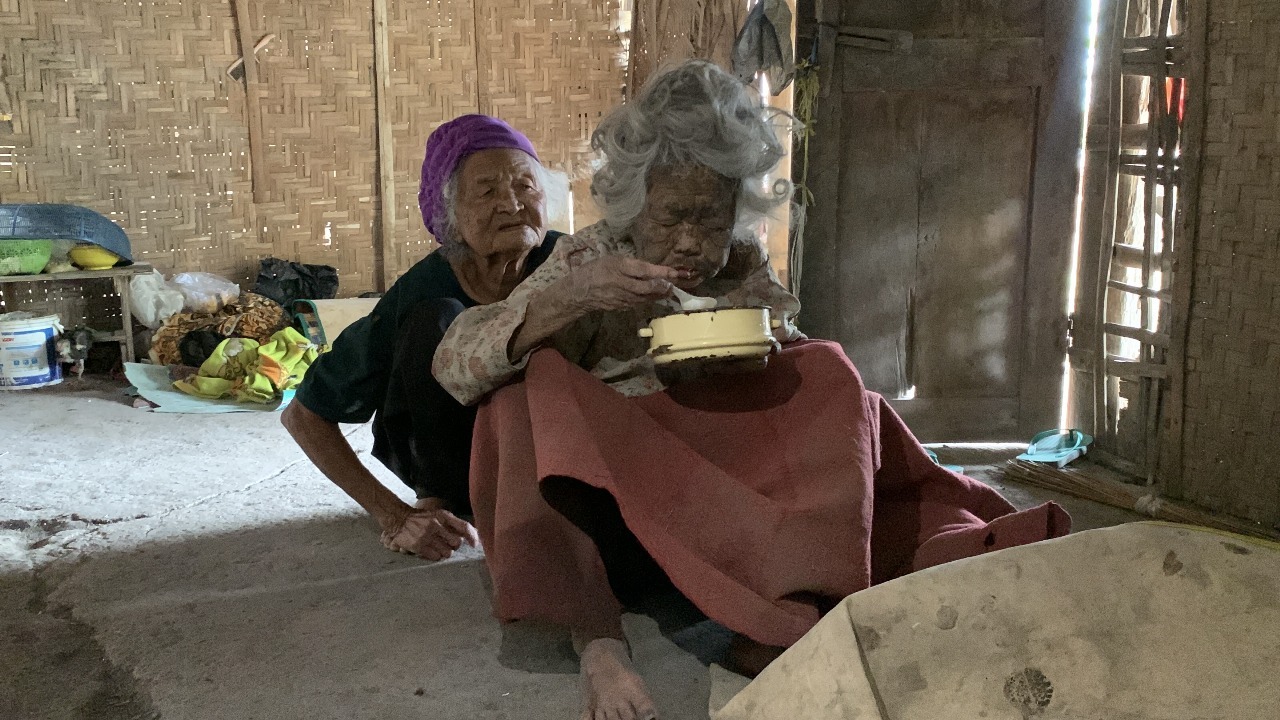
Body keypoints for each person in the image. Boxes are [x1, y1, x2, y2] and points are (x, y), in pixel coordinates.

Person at [433, 62, 1070, 720]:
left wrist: (769, 350)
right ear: (632, 203)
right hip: (628, 498)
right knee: (521, 396)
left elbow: (786, 355)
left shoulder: (739, 259)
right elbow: (455, 365)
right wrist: (569, 301)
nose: (688, 241)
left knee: (827, 371)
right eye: (671, 217)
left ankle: (799, 590)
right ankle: (600, 643)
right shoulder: (587, 259)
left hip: (729, 485)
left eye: (709, 221)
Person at [282, 114, 562, 562]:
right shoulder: (423, 289)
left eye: (525, 186)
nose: (511, 204)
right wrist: (392, 515)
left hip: (552, 462)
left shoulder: (571, 264)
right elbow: (303, 415)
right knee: (436, 320)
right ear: (450, 214)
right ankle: (442, 498)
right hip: (461, 464)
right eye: (488, 191)